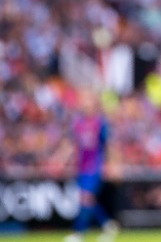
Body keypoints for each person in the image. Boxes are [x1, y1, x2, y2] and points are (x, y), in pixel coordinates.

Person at [64, 90, 119, 242]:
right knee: (88, 200)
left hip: (94, 166)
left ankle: (78, 232)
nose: (85, 105)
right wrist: (64, 161)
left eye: (88, 102)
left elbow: (109, 145)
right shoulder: (78, 123)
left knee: (86, 198)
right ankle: (108, 224)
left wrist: (112, 164)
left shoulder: (100, 123)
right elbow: (72, 145)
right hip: (80, 166)